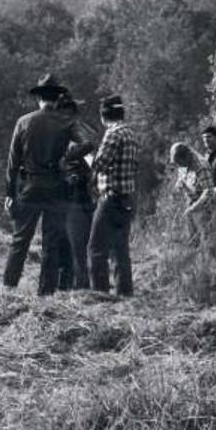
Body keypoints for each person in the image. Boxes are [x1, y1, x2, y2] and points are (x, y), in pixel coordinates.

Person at [3, 73, 91, 295]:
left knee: (20, 240)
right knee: (51, 244)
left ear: (38, 98)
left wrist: (9, 193)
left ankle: (8, 288)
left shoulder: (23, 122)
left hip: (29, 187)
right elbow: (89, 143)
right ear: (57, 98)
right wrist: (67, 158)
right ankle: (45, 294)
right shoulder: (67, 122)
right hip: (56, 189)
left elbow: (12, 163)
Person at [87, 94, 142, 296]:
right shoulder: (131, 135)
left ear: (104, 116)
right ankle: (125, 294)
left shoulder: (113, 134)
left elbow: (99, 165)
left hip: (110, 198)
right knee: (120, 251)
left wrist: (86, 154)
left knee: (96, 249)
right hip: (127, 198)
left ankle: (100, 295)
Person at [56, 93, 98, 290]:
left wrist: (67, 160)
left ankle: (81, 286)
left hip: (77, 197)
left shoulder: (78, 132)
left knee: (77, 244)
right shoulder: (65, 133)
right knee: (70, 244)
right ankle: (72, 285)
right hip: (71, 195)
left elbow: (91, 153)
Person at [170, 141, 211, 243]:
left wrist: (194, 207)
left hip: (205, 207)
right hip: (190, 202)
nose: (179, 166)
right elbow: (181, 180)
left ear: (187, 156)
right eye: (177, 164)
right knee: (191, 239)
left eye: (180, 163)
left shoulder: (201, 166)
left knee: (205, 239)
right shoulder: (183, 164)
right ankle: (193, 246)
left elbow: (208, 191)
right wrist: (177, 188)